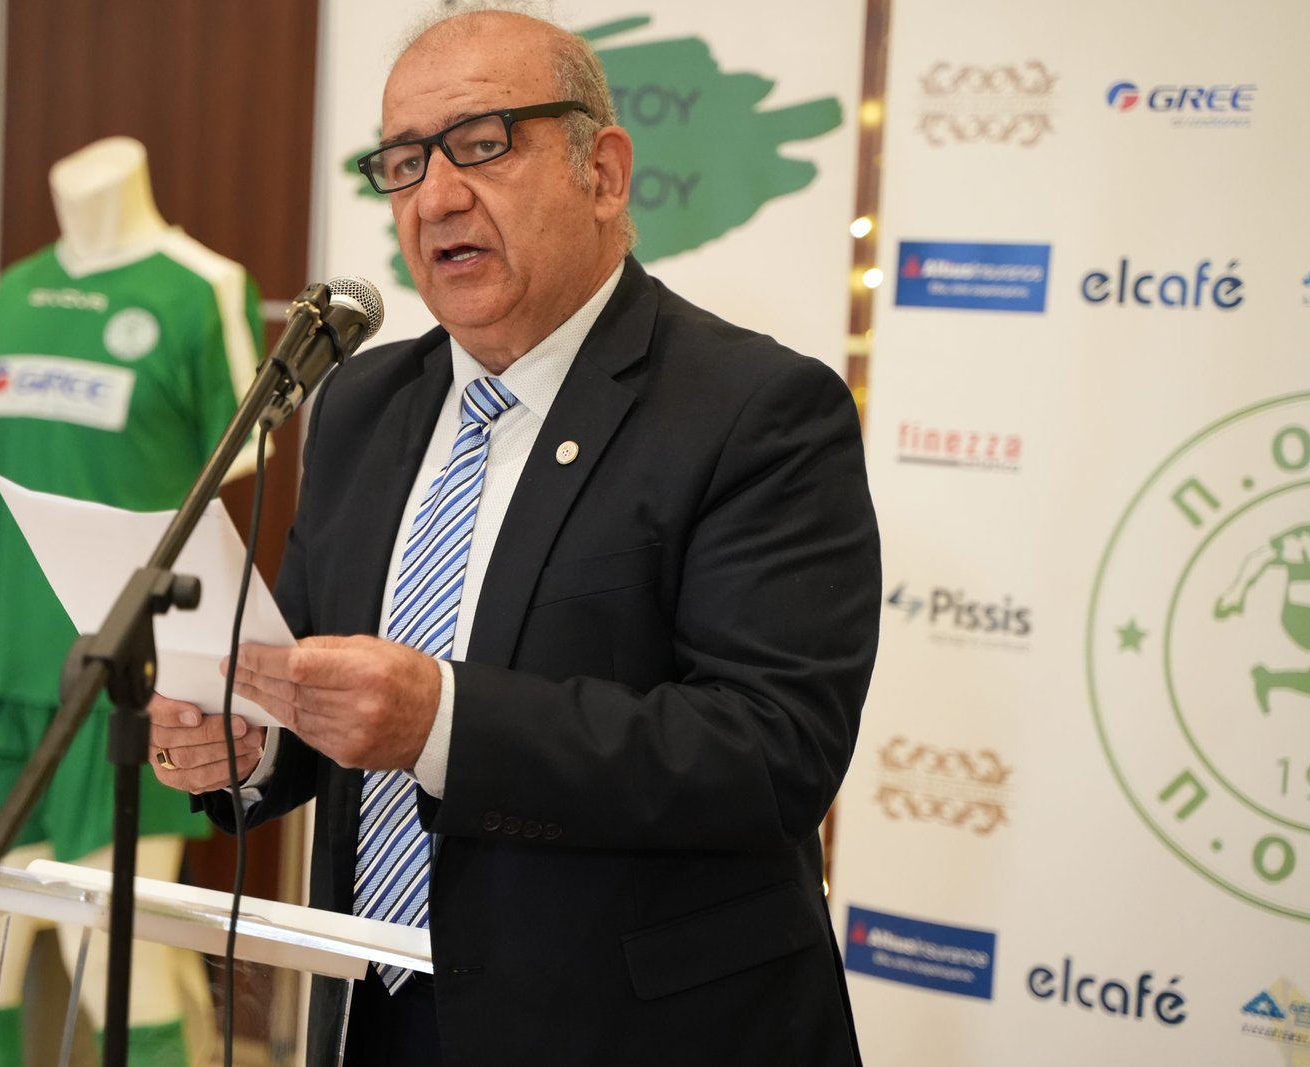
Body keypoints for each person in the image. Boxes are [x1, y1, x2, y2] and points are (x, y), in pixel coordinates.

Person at [147, 6, 880, 1065]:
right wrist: (248, 741)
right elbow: (319, 682)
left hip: (634, 1031)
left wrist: (441, 719)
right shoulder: (359, 403)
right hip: (374, 1008)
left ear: (604, 173)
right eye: (404, 162)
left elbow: (774, 749)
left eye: (482, 144)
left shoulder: (754, 409)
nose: (436, 195)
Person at [0, 137, 265, 1066]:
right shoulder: (14, 290)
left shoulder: (202, 286)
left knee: (122, 965)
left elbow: (244, 449)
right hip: (6, 674)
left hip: (131, 683)